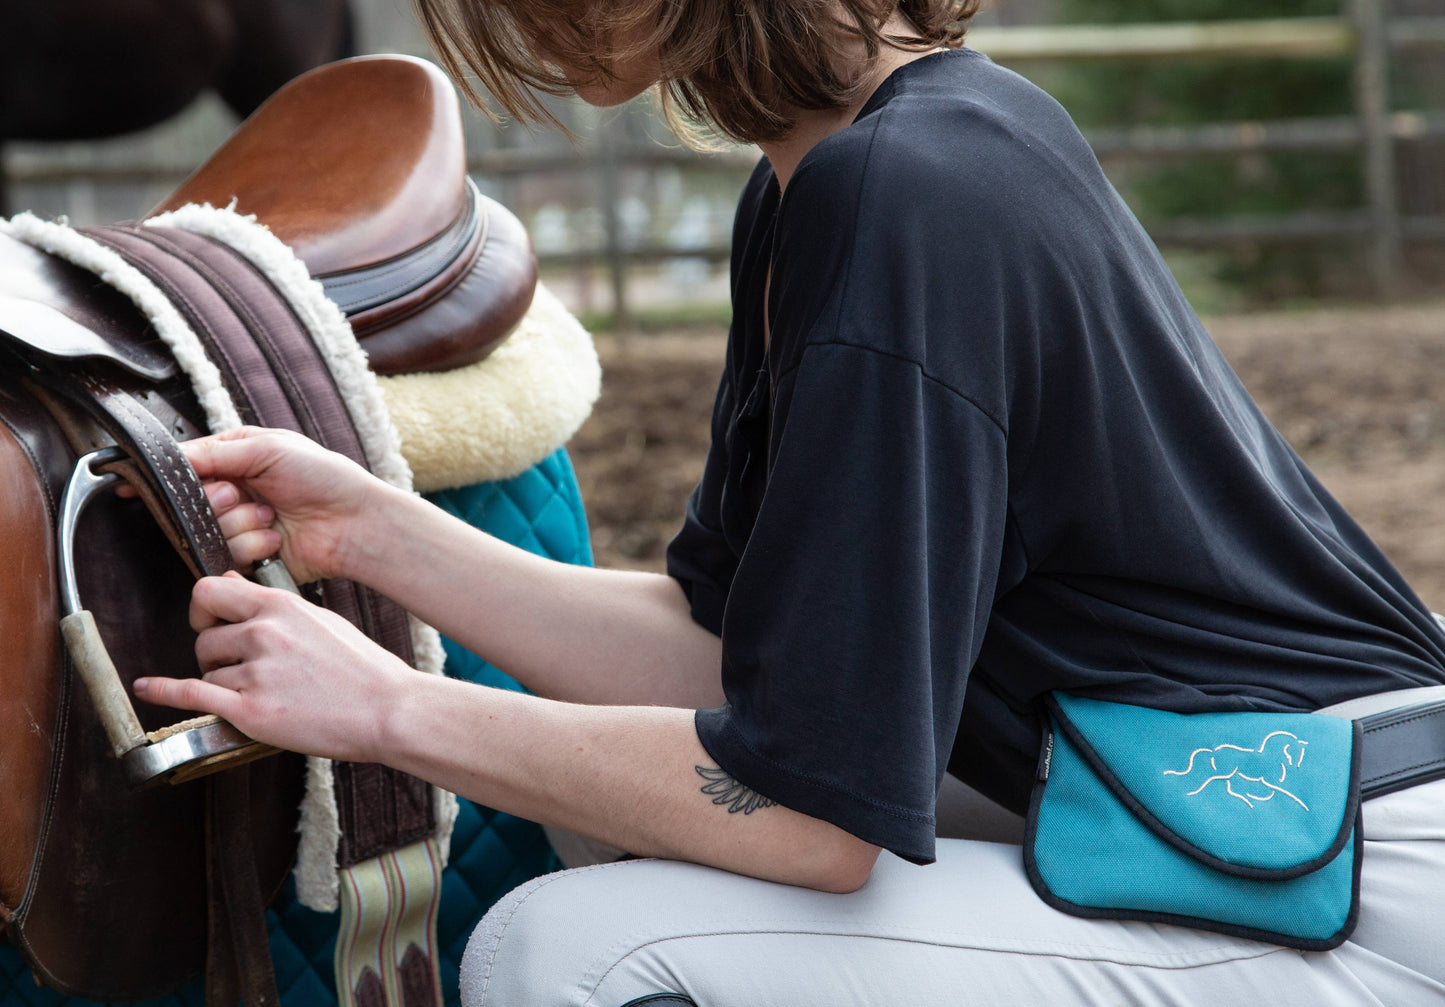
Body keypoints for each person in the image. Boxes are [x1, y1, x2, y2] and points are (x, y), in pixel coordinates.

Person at [134, 1, 1445, 1003]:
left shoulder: (899, 194)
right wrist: (369, 530)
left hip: (1327, 860)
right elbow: (730, 651)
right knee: (597, 802)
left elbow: (815, 820)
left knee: (570, 949)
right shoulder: (849, 166)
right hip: (1178, 813)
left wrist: (389, 708)